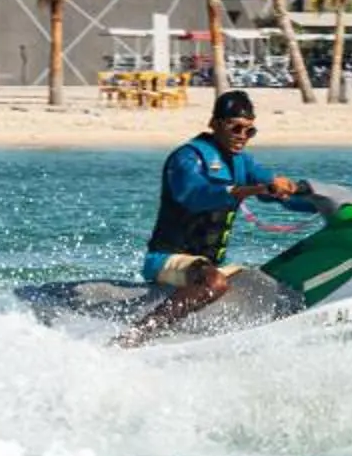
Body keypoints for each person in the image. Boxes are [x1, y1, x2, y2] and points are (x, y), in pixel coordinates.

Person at [124, 90, 308, 344]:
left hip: (211, 264)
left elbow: (280, 195)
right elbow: (195, 194)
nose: (242, 137)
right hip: (167, 259)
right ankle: (134, 337)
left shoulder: (243, 163)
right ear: (215, 124)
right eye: (236, 128)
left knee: (259, 281)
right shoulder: (187, 158)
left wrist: (328, 200)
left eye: (249, 131)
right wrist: (249, 190)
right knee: (215, 283)